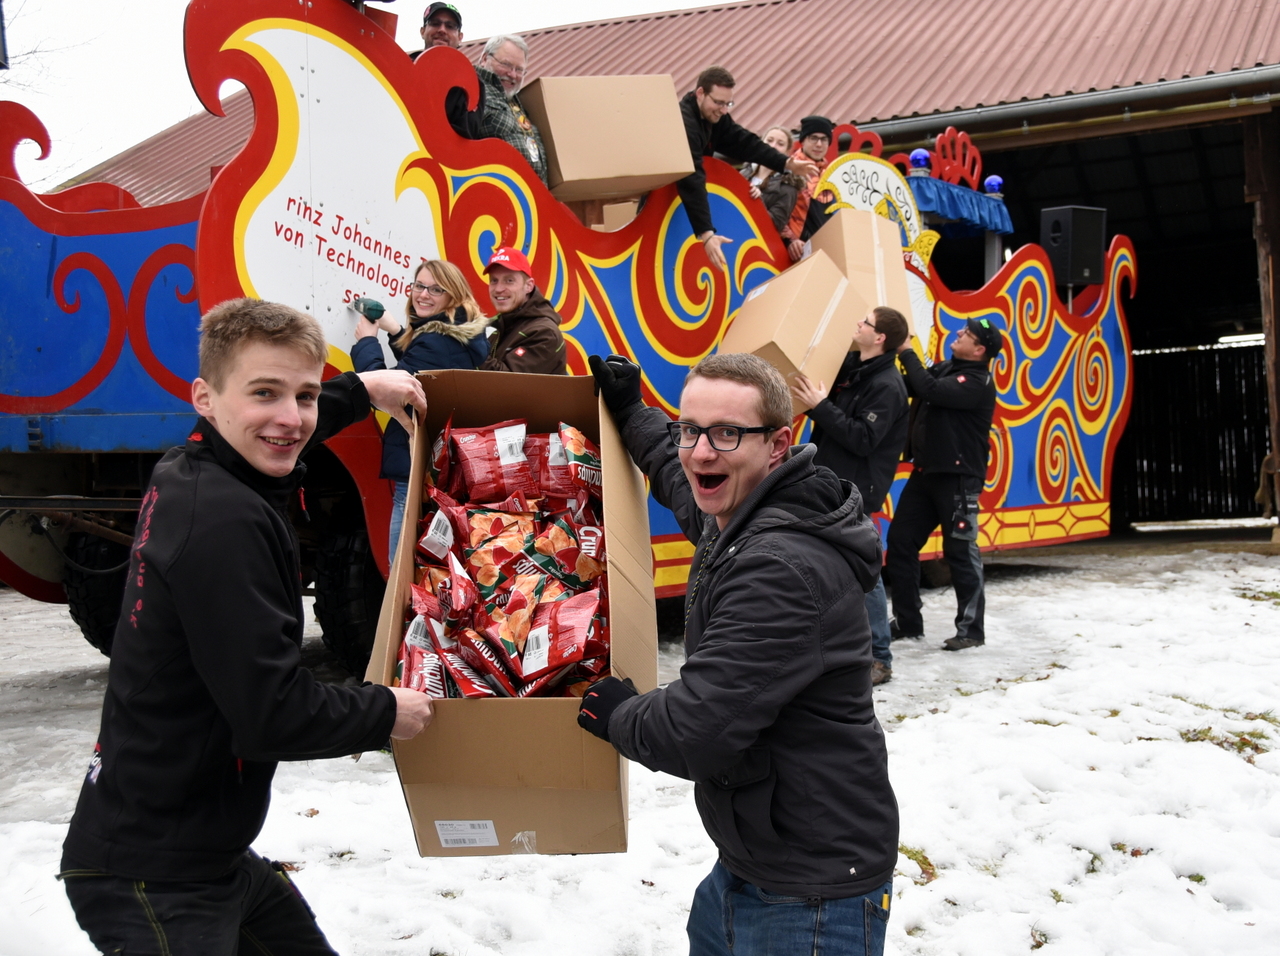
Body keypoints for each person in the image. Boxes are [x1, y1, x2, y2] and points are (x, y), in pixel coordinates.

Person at [58, 299, 435, 954]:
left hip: (207, 853)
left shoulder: (201, 463)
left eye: (306, 394)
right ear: (204, 397)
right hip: (151, 877)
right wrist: (385, 712)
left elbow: (282, 424)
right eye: (265, 392)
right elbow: (273, 715)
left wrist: (363, 389)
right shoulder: (221, 524)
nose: (290, 418)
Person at [580, 351, 898, 956]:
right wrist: (630, 409)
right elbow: (676, 477)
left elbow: (694, 732)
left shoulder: (779, 567)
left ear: (778, 444)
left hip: (810, 899)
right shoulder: (746, 514)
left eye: (727, 433)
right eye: (690, 429)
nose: (701, 451)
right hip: (752, 865)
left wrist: (616, 711)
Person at [791, 306, 910, 685]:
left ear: (879, 338)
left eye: (866, 323)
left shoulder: (887, 385)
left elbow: (862, 438)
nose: (858, 324)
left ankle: (880, 656)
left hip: (857, 490)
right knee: (823, 565)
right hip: (831, 481)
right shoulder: (856, 369)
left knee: (863, 571)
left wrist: (819, 407)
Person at [352, 259, 489, 563]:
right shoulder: (454, 336)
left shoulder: (437, 340)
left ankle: (398, 609)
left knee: (399, 562)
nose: (423, 294)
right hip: (434, 461)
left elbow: (389, 391)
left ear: (452, 295)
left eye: (435, 289)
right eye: (419, 286)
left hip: (415, 460)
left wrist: (367, 343)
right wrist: (397, 331)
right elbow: (421, 371)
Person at [887, 317, 1002, 651]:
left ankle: (971, 631)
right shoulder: (947, 368)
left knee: (960, 552)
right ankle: (908, 622)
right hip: (926, 473)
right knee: (901, 541)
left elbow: (928, 389)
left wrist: (905, 350)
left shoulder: (976, 381)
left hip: (958, 479)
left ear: (979, 349)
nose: (959, 334)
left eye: (967, 334)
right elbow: (914, 384)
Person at [676, 66, 818, 271]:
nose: (723, 110)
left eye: (728, 104)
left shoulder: (715, 116)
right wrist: (706, 234)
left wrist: (786, 163)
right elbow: (692, 177)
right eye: (718, 102)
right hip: (671, 202)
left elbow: (746, 142)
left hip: (691, 212)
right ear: (700, 93)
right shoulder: (685, 122)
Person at [478, 245, 566, 374]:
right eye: (494, 280)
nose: (498, 288)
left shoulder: (544, 333)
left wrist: (473, 348)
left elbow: (508, 382)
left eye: (509, 280)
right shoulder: (494, 325)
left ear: (529, 286)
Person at [475, 34, 549, 184]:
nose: (512, 74)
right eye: (506, 65)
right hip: (495, 193)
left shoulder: (515, 100)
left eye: (519, 69)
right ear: (484, 59)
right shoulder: (472, 89)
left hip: (527, 199)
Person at [409, 3, 484, 139]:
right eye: (435, 23)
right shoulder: (404, 66)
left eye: (450, 26)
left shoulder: (472, 81)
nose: (442, 30)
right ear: (422, 31)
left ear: (460, 37)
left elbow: (466, 135)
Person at [783, 114, 836, 262]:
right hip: (795, 249)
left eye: (824, 139)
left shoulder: (831, 173)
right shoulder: (789, 168)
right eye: (813, 138)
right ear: (803, 141)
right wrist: (790, 240)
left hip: (825, 251)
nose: (819, 144)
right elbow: (775, 209)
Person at [738, 125, 804, 242]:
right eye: (769, 141)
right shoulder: (743, 174)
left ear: (787, 152)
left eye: (780, 144)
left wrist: (757, 202)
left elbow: (774, 227)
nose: (773, 146)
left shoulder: (788, 188)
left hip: (755, 246)